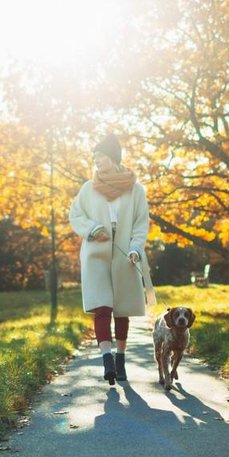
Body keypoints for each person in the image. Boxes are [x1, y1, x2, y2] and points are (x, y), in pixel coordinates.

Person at [69, 133, 150, 385]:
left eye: (101, 155)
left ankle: (121, 358)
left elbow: (140, 223)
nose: (96, 160)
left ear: (113, 157)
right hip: (96, 253)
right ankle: (107, 360)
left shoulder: (136, 190)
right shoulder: (88, 188)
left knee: (122, 308)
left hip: (125, 254)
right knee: (102, 307)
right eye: (94, 156)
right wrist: (93, 228)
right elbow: (75, 215)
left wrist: (136, 248)